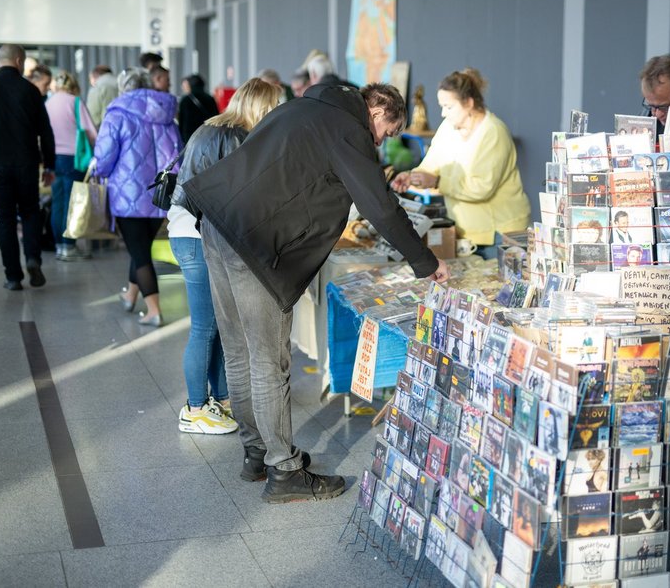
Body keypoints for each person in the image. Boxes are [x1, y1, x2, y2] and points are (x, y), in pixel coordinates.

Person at [183, 81, 448, 503]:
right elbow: (380, 205)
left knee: (238, 350)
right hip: (256, 242)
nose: (381, 142)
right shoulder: (348, 129)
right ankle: (284, 472)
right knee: (270, 360)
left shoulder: (301, 108)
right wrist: (426, 262)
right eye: (388, 132)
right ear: (378, 114)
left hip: (218, 224)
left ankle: (257, 452)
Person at [169, 78, 281, 435]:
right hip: (197, 237)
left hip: (188, 231)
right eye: (274, 107)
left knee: (216, 324)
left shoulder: (213, 126)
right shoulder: (235, 137)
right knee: (204, 326)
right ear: (261, 107)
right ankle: (195, 408)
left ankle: (217, 398)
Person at [390, 68, 531, 259]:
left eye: (448, 107)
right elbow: (431, 163)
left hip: (500, 234)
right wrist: (412, 176)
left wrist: (437, 182)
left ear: (469, 103)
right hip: (468, 233)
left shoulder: (493, 132)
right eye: (441, 106)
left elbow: (481, 188)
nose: (442, 113)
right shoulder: (449, 127)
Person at [94, 68, 181, 325]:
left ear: (124, 87)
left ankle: (154, 310)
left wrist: (96, 169)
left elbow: (103, 157)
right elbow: (178, 152)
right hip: (160, 195)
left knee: (140, 253)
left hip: (127, 195)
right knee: (140, 247)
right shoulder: (167, 114)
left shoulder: (117, 114)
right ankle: (131, 295)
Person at [0, 44, 55, 290]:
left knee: (4, 220)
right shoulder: (30, 90)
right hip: (26, 162)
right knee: (30, 213)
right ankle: (33, 258)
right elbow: (45, 132)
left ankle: (13, 277)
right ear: (18, 60)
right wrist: (49, 165)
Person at [45, 70, 98, 260]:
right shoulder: (75, 102)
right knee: (72, 202)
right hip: (73, 159)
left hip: (52, 158)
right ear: (73, 86)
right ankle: (69, 246)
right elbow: (90, 132)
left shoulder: (48, 103)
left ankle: (59, 245)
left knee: (57, 202)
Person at [177, 74, 220, 143]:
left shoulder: (185, 100)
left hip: (190, 137)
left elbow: (181, 122)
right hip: (208, 135)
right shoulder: (210, 99)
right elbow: (216, 117)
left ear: (190, 85)